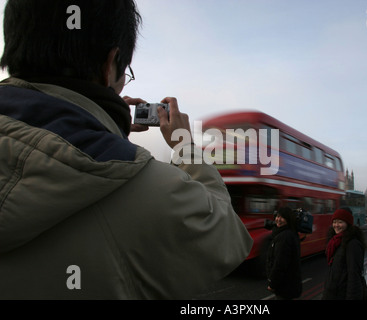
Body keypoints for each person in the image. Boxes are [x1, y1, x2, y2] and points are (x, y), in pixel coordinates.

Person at [0, 0, 252, 299]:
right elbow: (227, 237)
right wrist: (184, 145)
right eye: (125, 71)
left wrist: (103, 130)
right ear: (111, 64)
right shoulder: (147, 189)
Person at [322, 207, 367, 300]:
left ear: (348, 223)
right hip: (334, 292)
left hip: (343, 294)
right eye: (334, 222)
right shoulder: (335, 242)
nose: (336, 225)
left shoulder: (353, 244)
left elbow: (354, 277)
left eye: (340, 222)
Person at [266, 207, 302, 300]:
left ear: (288, 219)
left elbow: (280, 263)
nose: (278, 219)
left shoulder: (284, 237)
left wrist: (272, 283)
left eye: (282, 217)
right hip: (289, 284)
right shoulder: (290, 233)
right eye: (277, 216)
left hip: (285, 285)